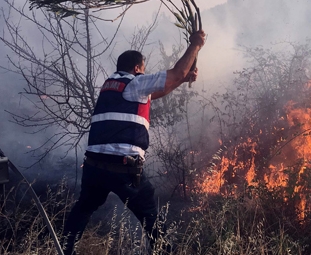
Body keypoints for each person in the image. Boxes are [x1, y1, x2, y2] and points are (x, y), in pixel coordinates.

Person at [62, 30, 206, 254]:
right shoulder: (134, 82)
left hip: (94, 167)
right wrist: (195, 45)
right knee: (149, 214)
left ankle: (65, 249)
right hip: (123, 167)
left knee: (84, 208)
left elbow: (160, 90)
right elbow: (176, 73)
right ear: (137, 68)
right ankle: (164, 252)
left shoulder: (111, 86)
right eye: (143, 69)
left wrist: (183, 79)